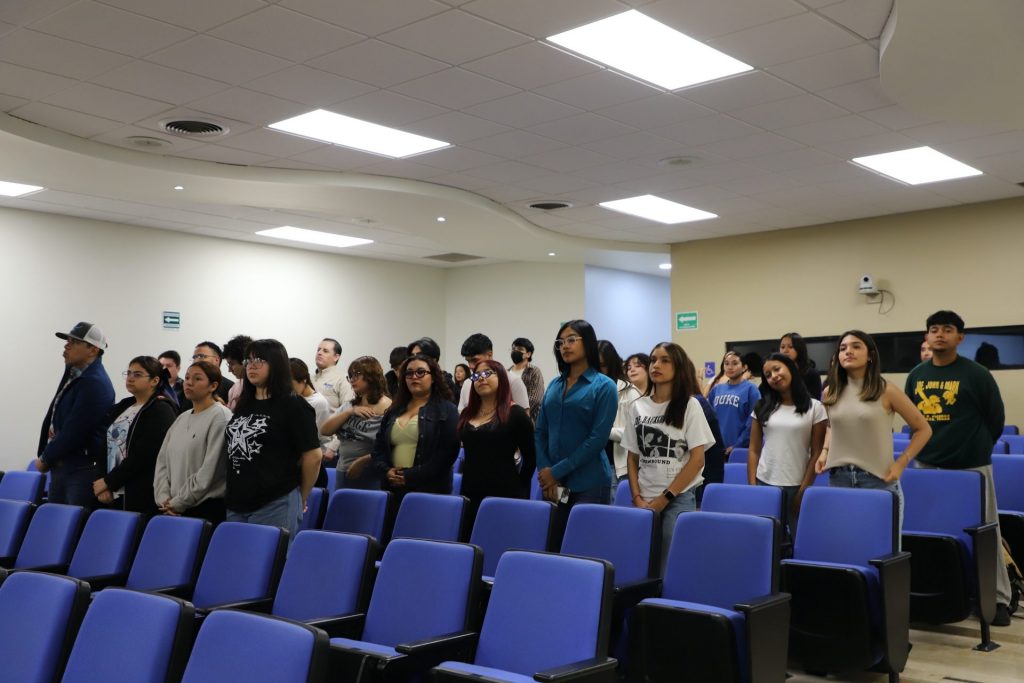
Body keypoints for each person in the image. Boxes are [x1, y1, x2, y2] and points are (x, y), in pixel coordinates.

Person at [905, 310, 1013, 626]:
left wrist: (974, 447)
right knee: (930, 535)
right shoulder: (916, 375)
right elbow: (913, 419)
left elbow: (995, 419)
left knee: (986, 532)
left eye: (948, 329)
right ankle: (938, 596)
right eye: (934, 329)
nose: (940, 334)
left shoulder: (976, 374)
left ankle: (997, 599)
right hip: (927, 465)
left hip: (972, 467)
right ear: (927, 336)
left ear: (960, 337)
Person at [814, 330, 931, 532]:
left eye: (856, 346)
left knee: (882, 547)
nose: (848, 351)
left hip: (877, 479)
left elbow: (923, 429)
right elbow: (833, 425)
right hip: (839, 478)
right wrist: (825, 451)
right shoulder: (829, 392)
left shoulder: (886, 389)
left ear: (870, 355)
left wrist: (901, 462)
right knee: (846, 543)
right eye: (843, 348)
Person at [622, 343, 714, 575]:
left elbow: (697, 460)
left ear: (678, 367)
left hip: (677, 497)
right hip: (644, 498)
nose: (656, 365)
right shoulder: (637, 406)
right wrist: (636, 497)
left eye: (665, 361)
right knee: (642, 562)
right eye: (653, 360)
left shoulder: (690, 405)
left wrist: (665, 499)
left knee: (670, 565)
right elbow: (632, 457)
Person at [224, 339, 322, 538]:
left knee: (270, 557)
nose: (251, 366)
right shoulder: (245, 404)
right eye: (248, 360)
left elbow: (313, 456)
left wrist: (301, 497)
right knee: (238, 556)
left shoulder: (293, 405)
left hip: (275, 501)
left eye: (259, 360)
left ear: (276, 364)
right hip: (237, 502)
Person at [535, 320, 617, 538]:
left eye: (571, 340)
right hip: (553, 482)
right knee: (552, 543)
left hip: (589, 482)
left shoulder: (604, 386)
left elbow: (597, 439)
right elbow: (540, 431)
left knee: (583, 545)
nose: (565, 346)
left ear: (588, 342)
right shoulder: (554, 385)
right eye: (560, 342)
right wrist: (545, 471)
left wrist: (555, 472)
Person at [748, 353, 827, 540]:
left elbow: (817, 452)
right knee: (767, 540)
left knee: (799, 540)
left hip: (797, 485)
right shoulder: (761, 406)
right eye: (768, 375)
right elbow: (753, 450)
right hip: (765, 482)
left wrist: (803, 491)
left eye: (777, 369)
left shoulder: (815, 407)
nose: (773, 376)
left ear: (790, 369)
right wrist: (753, 487)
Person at [37, 322, 115, 508]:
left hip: (81, 469)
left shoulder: (95, 383)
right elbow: (54, 413)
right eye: (67, 341)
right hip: (64, 466)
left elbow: (76, 429)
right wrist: (44, 453)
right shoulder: (75, 374)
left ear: (93, 350)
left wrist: (45, 457)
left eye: (74, 342)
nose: (67, 345)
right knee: (57, 521)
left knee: (73, 522)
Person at [370, 354, 460, 502]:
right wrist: (386, 471)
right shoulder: (394, 410)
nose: (414, 377)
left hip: (429, 489)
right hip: (392, 486)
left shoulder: (447, 409)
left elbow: (447, 454)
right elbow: (378, 448)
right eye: (409, 373)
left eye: (420, 372)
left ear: (433, 377)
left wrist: (410, 476)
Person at [95, 356, 177, 515]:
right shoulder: (124, 405)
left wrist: (109, 482)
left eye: (137, 374)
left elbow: (144, 455)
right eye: (129, 373)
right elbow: (105, 445)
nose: (130, 378)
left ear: (154, 381)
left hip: (139, 491)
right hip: (111, 489)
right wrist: (101, 481)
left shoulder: (161, 409)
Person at [457, 360, 536, 525]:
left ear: (501, 378)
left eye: (488, 373)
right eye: (476, 375)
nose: (481, 378)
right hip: (469, 490)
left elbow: (531, 458)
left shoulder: (515, 413)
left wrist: (520, 487)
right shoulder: (467, 414)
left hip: (504, 491)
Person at [153, 361, 232, 524]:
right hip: (171, 507)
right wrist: (163, 499)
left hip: (204, 508)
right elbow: (162, 462)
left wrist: (179, 502)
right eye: (187, 377)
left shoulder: (220, 417)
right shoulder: (182, 418)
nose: (189, 382)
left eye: (197, 379)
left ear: (213, 386)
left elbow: (211, 470)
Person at [320, 356, 391, 490]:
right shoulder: (350, 405)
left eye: (357, 374)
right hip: (343, 469)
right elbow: (325, 430)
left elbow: (389, 447)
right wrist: (350, 412)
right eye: (350, 376)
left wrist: (362, 462)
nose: (352, 379)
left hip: (369, 473)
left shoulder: (387, 407)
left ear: (371, 376)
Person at [598, 340, 641, 484]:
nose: (598, 371)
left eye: (602, 365)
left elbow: (636, 433)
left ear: (611, 364)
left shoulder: (629, 392)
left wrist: (602, 431)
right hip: (593, 466)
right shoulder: (592, 391)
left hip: (618, 467)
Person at [457, 333, 530, 412]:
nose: (470, 366)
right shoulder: (467, 384)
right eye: (468, 361)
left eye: (475, 360)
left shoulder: (513, 381)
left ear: (489, 355)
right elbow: (462, 415)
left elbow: (524, 416)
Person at [708, 351, 760, 457]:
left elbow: (753, 422)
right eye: (726, 363)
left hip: (740, 450)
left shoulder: (751, 389)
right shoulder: (717, 389)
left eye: (735, 363)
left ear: (744, 367)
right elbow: (709, 419)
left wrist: (737, 445)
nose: (730, 367)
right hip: (716, 449)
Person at [408, 337, 458, 402]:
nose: (415, 359)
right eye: (412, 356)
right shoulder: (409, 378)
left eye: (420, 355)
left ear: (434, 360)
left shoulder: (446, 383)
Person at [508, 337, 545, 421]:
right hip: (506, 419)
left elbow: (535, 400)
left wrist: (518, 415)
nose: (515, 351)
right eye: (513, 349)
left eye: (520, 349)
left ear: (528, 354)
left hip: (527, 420)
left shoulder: (534, 371)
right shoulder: (506, 373)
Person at [779, 332, 822, 399]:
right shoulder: (777, 373)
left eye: (791, 347)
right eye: (782, 347)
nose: (785, 350)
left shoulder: (811, 373)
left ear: (799, 349)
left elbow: (815, 400)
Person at [221, 334, 252, 412]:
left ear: (245, 362)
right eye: (228, 364)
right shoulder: (235, 388)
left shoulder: (263, 389)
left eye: (232, 364)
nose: (229, 370)